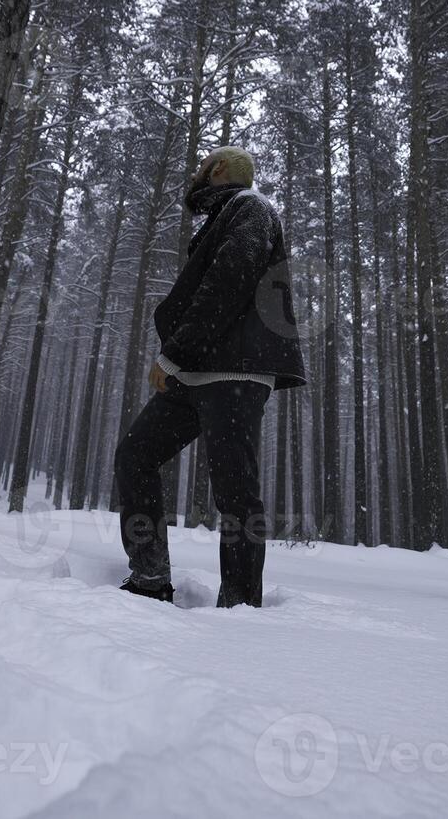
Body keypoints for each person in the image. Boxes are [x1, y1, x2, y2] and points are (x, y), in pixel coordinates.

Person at [113, 145, 307, 607]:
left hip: (235, 371)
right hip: (199, 370)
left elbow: (229, 282)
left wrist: (174, 353)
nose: (196, 176)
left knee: (236, 490)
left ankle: (239, 606)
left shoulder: (251, 208)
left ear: (218, 169)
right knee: (136, 455)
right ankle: (149, 576)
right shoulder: (223, 218)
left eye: (202, 167)